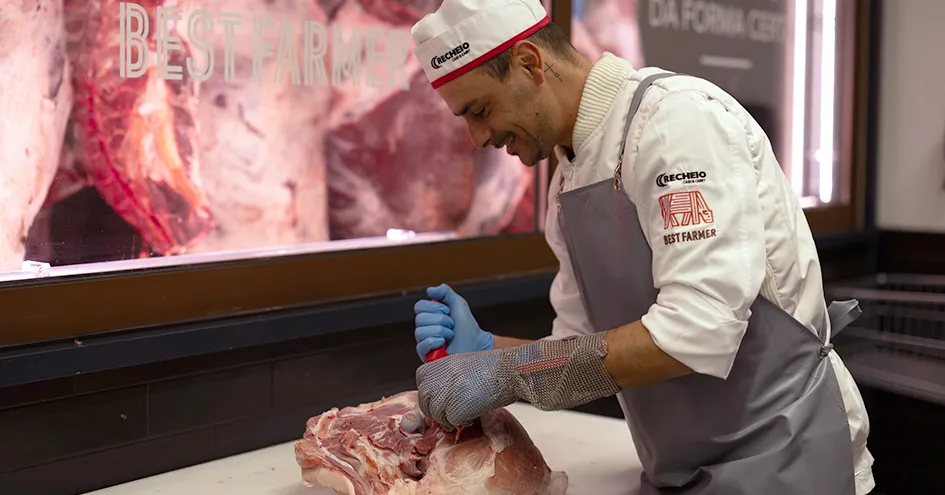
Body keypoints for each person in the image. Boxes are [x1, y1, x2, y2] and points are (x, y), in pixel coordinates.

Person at [408, 0, 875, 493]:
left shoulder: (676, 123)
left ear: (529, 62)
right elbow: (577, 353)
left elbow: (699, 329)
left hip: (787, 458)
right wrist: (485, 351)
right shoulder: (566, 188)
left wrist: (506, 372)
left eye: (480, 110)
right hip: (676, 470)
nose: (478, 138)